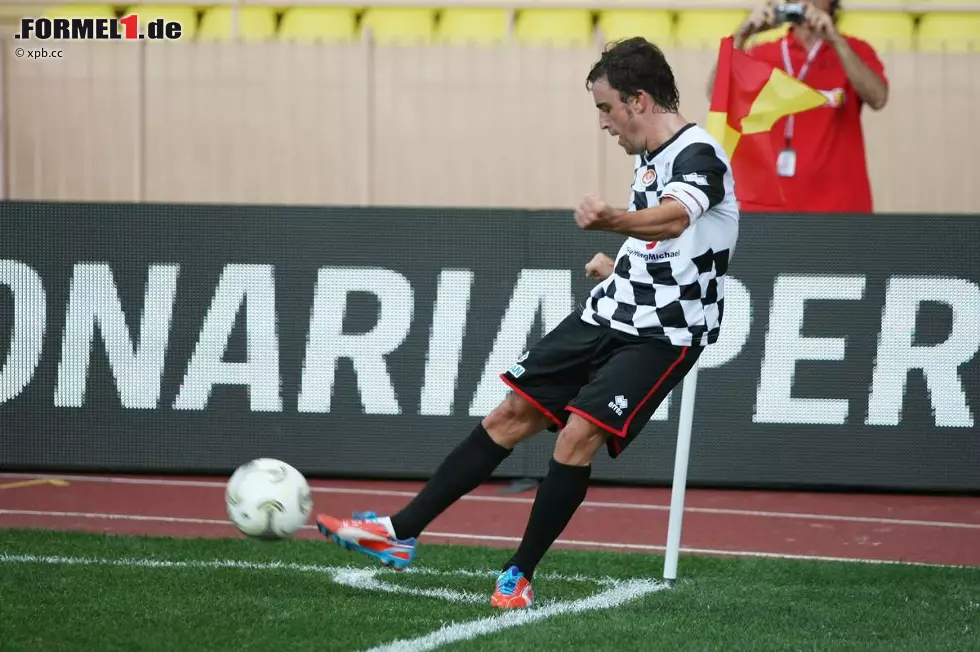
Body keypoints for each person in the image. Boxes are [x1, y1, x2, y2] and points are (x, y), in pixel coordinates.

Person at [315, 37, 740, 609]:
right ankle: (398, 532)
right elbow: (681, 247)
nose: (603, 123)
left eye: (605, 107)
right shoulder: (650, 159)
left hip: (664, 336)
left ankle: (519, 573)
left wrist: (614, 220)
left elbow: (673, 221)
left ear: (638, 101)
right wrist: (620, 264)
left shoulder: (700, 155)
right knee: (510, 412)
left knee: (577, 434)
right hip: (611, 309)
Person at [708, 0, 888, 213]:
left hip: (839, 207)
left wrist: (836, 41)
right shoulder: (762, 52)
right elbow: (715, 94)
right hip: (770, 207)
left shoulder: (854, 50)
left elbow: (878, 98)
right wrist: (741, 35)